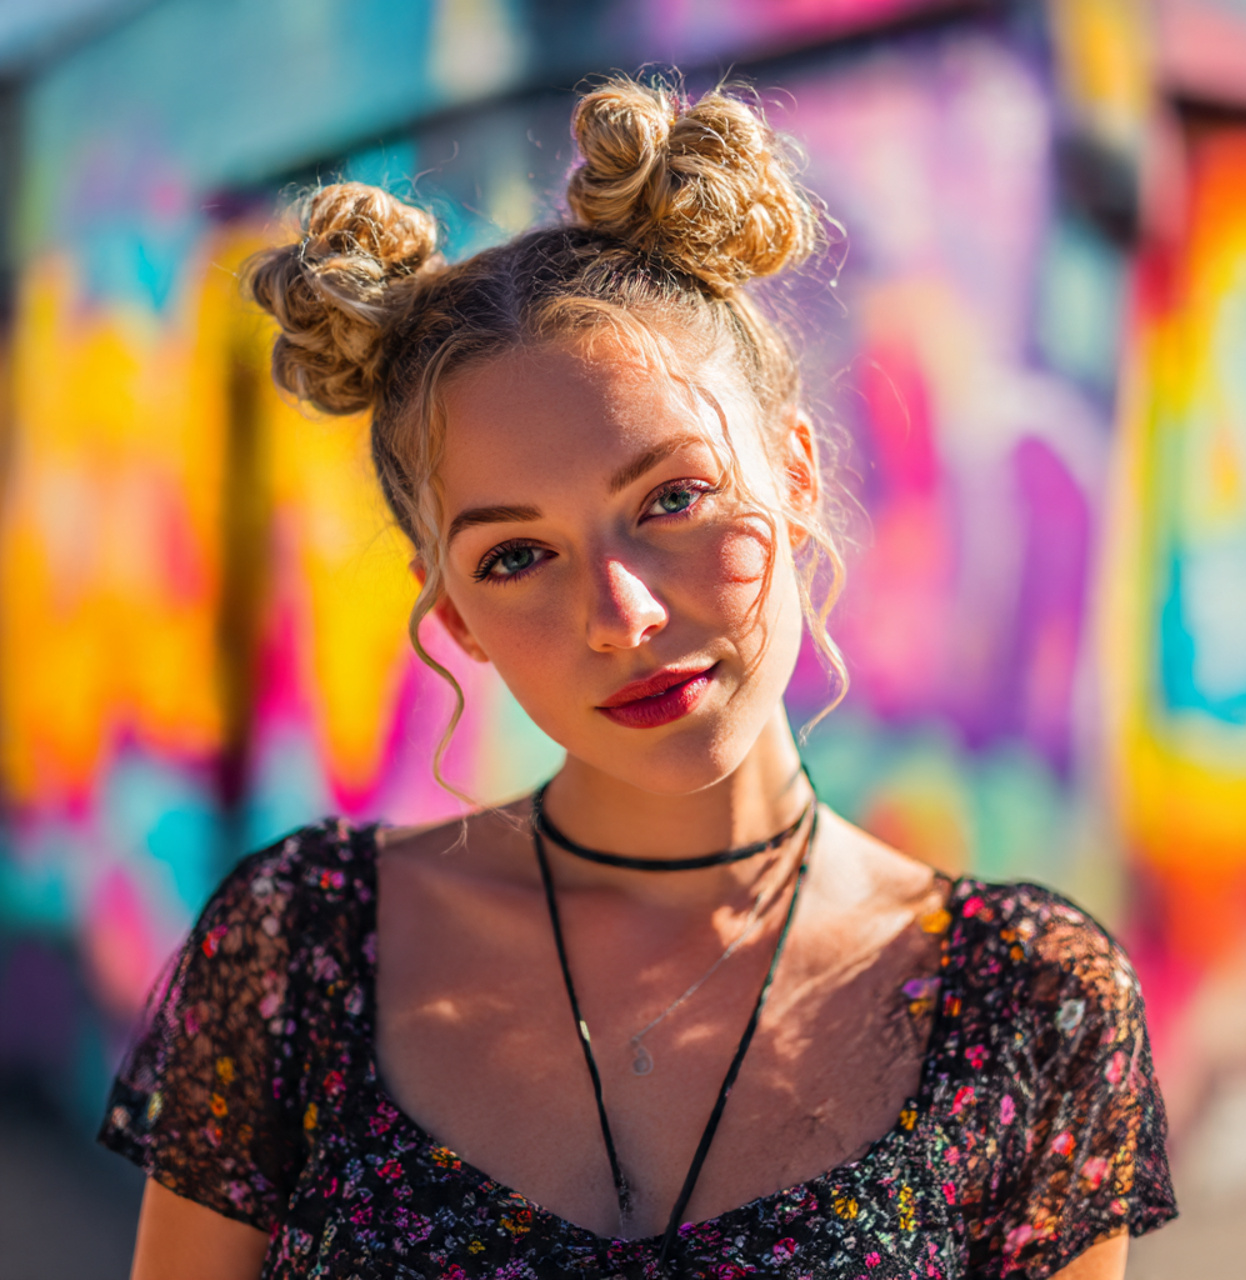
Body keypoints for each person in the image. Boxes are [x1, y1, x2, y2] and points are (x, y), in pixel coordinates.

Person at [99, 76, 1176, 1280]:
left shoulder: (1027, 1006)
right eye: (516, 556)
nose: (622, 613)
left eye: (671, 497)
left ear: (798, 471)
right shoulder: (297, 954)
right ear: (452, 609)